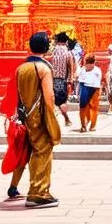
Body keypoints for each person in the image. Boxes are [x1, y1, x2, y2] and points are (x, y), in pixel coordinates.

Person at [14, 31, 62, 207]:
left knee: (36, 151)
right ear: (46, 47)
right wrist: (52, 117)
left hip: (26, 115)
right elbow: (49, 96)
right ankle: (38, 192)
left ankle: (36, 189)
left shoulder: (21, 68)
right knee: (43, 152)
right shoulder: (43, 68)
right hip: (39, 116)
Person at [49, 32, 76, 127]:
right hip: (62, 80)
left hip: (51, 79)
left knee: (51, 100)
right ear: (66, 41)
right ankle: (66, 119)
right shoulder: (68, 52)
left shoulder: (52, 51)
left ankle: (53, 120)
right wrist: (70, 81)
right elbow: (71, 67)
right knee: (62, 102)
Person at [77, 54, 102, 132]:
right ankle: (83, 125)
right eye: (87, 64)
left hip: (94, 89)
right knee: (83, 108)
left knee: (94, 108)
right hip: (84, 88)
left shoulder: (97, 71)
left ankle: (92, 125)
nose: (89, 66)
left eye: (91, 64)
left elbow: (98, 82)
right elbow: (80, 81)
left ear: (94, 63)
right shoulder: (82, 70)